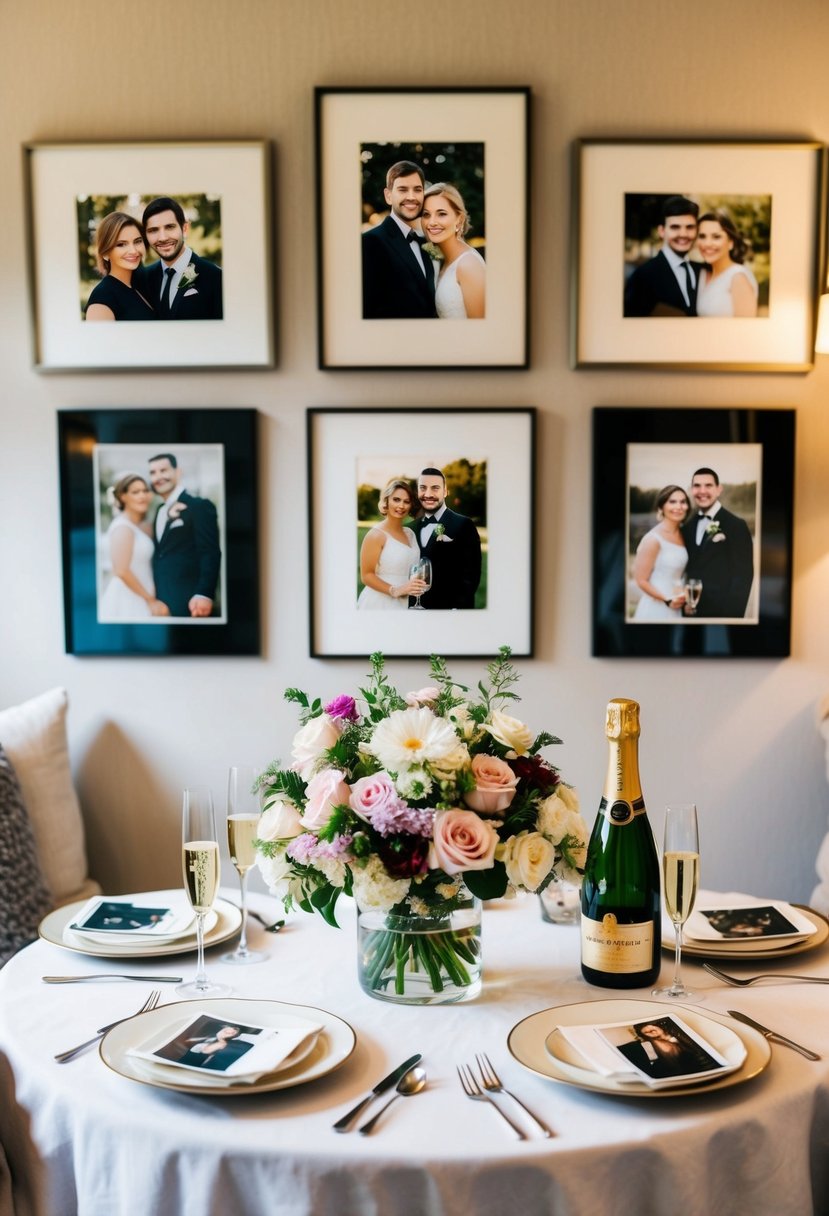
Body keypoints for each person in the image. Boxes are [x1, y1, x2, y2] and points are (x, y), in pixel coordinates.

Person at [148, 453, 221, 618]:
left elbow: (210, 552)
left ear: (178, 472)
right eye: (153, 472)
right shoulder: (159, 510)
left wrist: (204, 593)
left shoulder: (200, 506)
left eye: (163, 470)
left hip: (191, 600)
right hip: (161, 600)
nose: (158, 476)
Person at [361, 161, 437, 319]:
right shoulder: (370, 242)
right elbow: (368, 311)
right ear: (388, 196)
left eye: (417, 190)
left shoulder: (424, 242)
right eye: (402, 190)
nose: (411, 197)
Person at [681, 467, 754, 618]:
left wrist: (730, 619)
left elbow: (743, 576)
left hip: (721, 614)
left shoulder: (736, 525)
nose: (702, 491)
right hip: (690, 614)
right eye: (697, 486)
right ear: (691, 490)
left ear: (719, 489)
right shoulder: (687, 526)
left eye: (708, 485)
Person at [98, 474, 170, 621]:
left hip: (142, 593)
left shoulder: (140, 526)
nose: (142, 496)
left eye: (145, 491)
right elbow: (121, 570)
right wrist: (150, 600)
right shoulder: (122, 528)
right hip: (129, 597)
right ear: (123, 497)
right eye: (135, 492)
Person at [138, 197, 223, 320]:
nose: (162, 238)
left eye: (169, 227)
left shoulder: (215, 277)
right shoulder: (143, 278)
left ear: (184, 228)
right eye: (153, 230)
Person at [414, 467, 482, 610]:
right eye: (423, 488)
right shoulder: (411, 528)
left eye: (435, 488)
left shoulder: (463, 524)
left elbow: (471, 575)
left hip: (448, 611)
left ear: (445, 491)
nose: (428, 494)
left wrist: (457, 610)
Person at [623, 196, 700, 317]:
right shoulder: (643, 275)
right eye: (675, 227)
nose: (683, 234)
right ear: (662, 231)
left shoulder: (701, 271)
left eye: (690, 227)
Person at [357, 479, 426, 609]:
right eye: (396, 500)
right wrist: (395, 590)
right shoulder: (376, 535)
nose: (401, 506)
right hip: (380, 602)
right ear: (386, 501)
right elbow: (366, 575)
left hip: (406, 602)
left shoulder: (410, 533)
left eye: (406, 501)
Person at [421, 182, 485, 319]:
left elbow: (480, 331)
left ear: (459, 220)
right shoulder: (444, 259)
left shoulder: (468, 264)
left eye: (441, 214)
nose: (431, 222)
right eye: (426, 215)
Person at [631, 485, 690, 621]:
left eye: (683, 502)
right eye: (672, 502)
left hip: (677, 604)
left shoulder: (683, 534)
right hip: (657, 606)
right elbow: (641, 580)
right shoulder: (653, 539)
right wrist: (666, 600)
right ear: (661, 507)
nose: (679, 506)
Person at [85, 212, 156, 321]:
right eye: (121, 244)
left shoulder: (138, 286)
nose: (133, 251)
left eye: (137, 241)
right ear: (105, 253)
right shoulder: (102, 299)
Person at [695, 211, 759, 317]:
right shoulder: (703, 273)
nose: (707, 244)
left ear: (731, 243)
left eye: (716, 237)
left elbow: (746, 329)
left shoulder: (738, 277)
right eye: (702, 236)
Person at [617, 1021, 716, 1080]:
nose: (652, 1032)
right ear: (644, 1035)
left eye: (652, 1029)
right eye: (647, 1032)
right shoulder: (643, 1047)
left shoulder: (681, 1038)